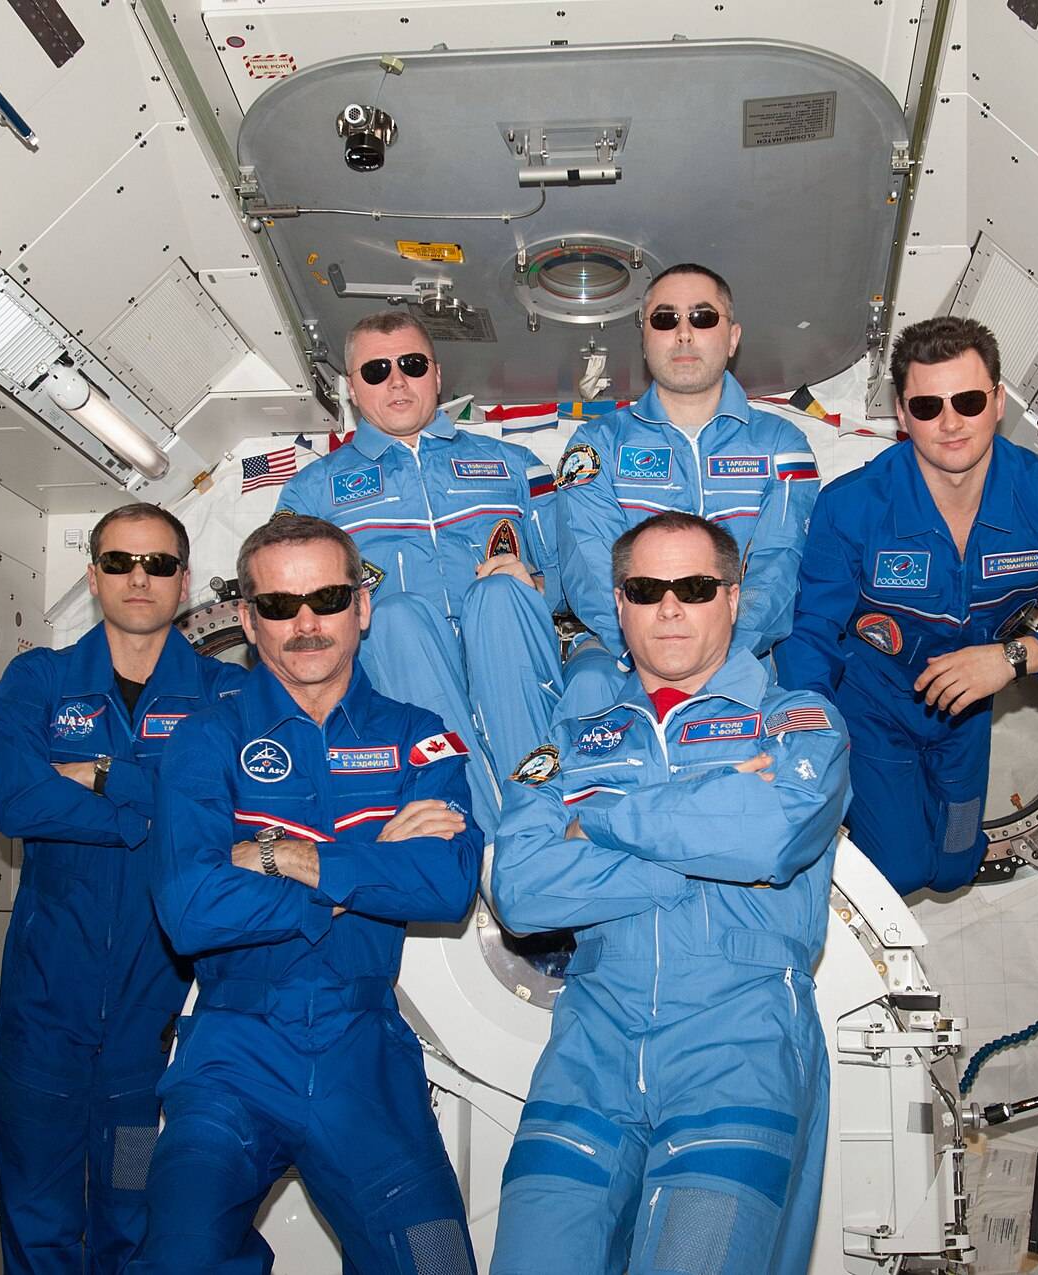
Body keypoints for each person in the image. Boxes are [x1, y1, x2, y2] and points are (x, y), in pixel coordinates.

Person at [488, 511, 850, 1275]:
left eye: (694, 585)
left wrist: (603, 821)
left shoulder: (796, 721)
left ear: (733, 594)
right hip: (589, 1048)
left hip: (739, 1045)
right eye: (647, 588)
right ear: (618, 603)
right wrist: (694, 843)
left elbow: (770, 836)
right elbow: (520, 891)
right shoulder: (567, 739)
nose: (671, 606)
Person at [127, 514, 482, 1275]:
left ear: (362, 605)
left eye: (326, 597)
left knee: (439, 1263)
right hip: (233, 1050)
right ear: (250, 622)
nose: (307, 623)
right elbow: (190, 908)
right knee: (175, 1260)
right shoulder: (205, 740)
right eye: (281, 606)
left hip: (366, 1054)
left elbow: (447, 883)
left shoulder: (421, 737)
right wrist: (366, 866)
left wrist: (279, 855)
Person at [779, 316, 1038, 895]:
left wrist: (1016, 657)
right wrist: (811, 733)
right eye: (927, 406)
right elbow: (811, 633)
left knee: (955, 867)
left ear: (998, 401)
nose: (950, 422)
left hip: (965, 713)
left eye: (969, 400)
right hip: (873, 708)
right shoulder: (850, 507)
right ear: (902, 415)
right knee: (900, 871)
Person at [0, 503, 246, 1274]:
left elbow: (228, 813)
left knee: (132, 1219)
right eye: (122, 562)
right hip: (43, 1015)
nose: (141, 578)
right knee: (38, 1220)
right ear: (93, 575)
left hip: (152, 1023)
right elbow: (17, 800)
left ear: (185, 581)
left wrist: (105, 776)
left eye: (160, 564)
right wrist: (157, 812)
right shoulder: (38, 679)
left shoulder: (225, 695)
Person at [276, 312, 562, 835]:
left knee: (500, 595)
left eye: (410, 364)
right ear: (351, 389)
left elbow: (573, 578)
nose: (397, 380)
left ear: (435, 374)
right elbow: (293, 603)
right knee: (395, 615)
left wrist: (538, 586)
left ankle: (538, 827)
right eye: (376, 370)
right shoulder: (311, 492)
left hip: (511, 653)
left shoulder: (518, 464)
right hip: (402, 667)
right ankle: (475, 836)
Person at [555, 263, 820, 677]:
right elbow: (591, 573)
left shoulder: (782, 446)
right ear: (645, 340)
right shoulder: (596, 446)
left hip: (742, 668)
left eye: (702, 317)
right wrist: (648, 657)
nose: (683, 333)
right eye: (664, 319)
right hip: (627, 669)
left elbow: (779, 568)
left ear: (732, 338)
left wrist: (721, 660)